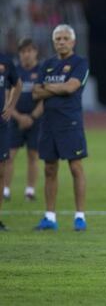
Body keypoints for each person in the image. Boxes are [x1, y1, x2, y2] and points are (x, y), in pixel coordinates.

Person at [32, 24, 89, 231]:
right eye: (58, 38)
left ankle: (80, 216)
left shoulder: (80, 62)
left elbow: (71, 87)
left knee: (75, 167)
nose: (61, 42)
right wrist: (57, 89)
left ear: (73, 42)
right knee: (49, 169)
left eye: (65, 38)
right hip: (48, 123)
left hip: (70, 122)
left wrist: (47, 87)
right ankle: (50, 217)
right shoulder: (46, 64)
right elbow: (35, 94)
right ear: (53, 42)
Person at [4, 38, 43, 202]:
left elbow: (45, 98)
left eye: (29, 51)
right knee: (9, 156)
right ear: (19, 54)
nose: (26, 55)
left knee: (33, 155)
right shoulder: (12, 70)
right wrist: (18, 116)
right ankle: (5, 189)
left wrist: (32, 116)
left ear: (35, 52)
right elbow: (5, 97)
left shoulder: (42, 70)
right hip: (14, 119)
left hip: (36, 120)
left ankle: (30, 190)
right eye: (23, 52)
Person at [0, 52, 22, 231]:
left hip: (1, 126)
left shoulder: (6, 61)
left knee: (0, 172)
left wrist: (10, 106)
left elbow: (17, 83)